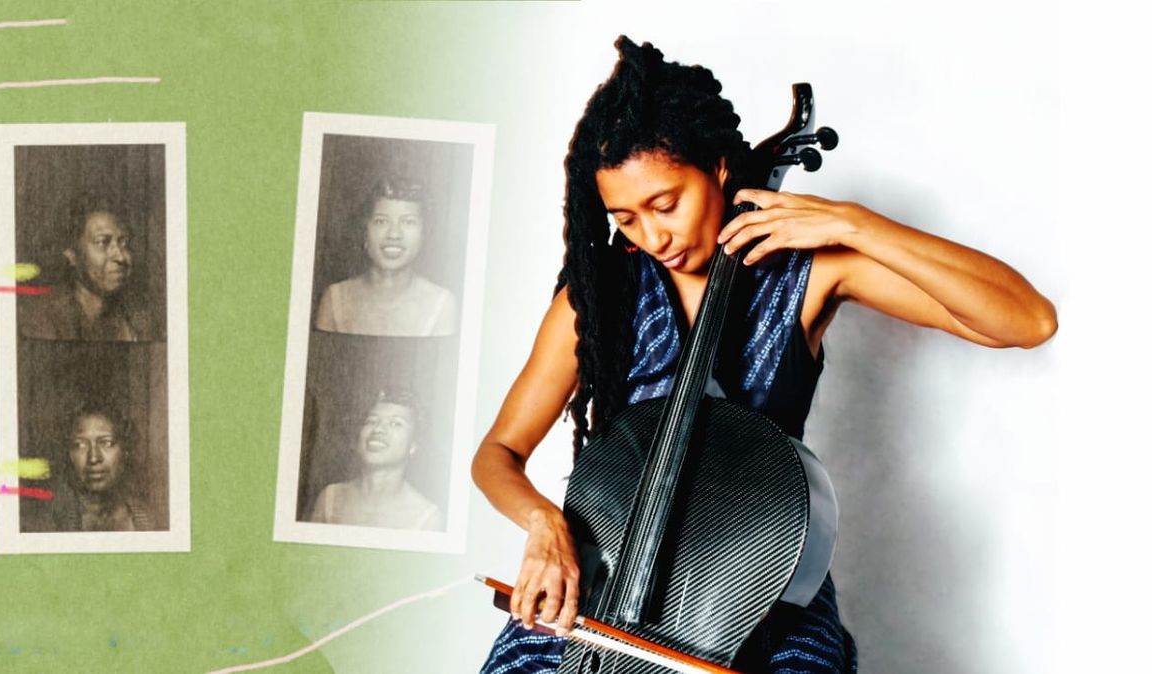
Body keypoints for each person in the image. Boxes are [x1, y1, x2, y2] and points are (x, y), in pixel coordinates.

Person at [470, 37, 1056, 673]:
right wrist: (544, 525)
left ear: (720, 168)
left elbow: (1026, 320)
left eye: (666, 204)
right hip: (610, 583)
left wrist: (854, 224)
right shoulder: (598, 294)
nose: (652, 235)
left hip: (766, 586)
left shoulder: (807, 275)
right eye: (627, 218)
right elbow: (497, 453)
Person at [314, 175, 457, 337]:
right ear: (364, 232)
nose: (394, 234)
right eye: (381, 221)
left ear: (424, 234)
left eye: (408, 222)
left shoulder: (441, 304)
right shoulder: (334, 299)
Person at [19, 193, 154, 342]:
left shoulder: (139, 320)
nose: (121, 257)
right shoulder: (42, 318)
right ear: (72, 255)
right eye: (103, 242)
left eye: (124, 243)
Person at [308, 389, 443, 530]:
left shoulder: (426, 518)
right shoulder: (330, 498)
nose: (378, 429)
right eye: (371, 421)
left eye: (396, 423)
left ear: (413, 445)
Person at [45, 401, 155, 532]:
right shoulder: (49, 524)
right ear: (69, 455)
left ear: (125, 451)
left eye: (106, 443)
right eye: (80, 445)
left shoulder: (147, 520)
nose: (93, 458)